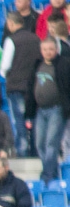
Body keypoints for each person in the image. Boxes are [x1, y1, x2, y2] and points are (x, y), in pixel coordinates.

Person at [25, 37, 70, 182]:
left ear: (56, 50)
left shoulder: (64, 64)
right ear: (41, 50)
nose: (48, 52)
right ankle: (51, 170)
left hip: (56, 109)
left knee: (51, 142)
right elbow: (31, 88)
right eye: (45, 49)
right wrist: (29, 111)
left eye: (51, 49)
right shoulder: (37, 65)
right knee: (39, 143)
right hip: (40, 110)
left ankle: (47, 174)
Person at [0, 11, 42, 157]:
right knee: (34, 119)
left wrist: (4, 74)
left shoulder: (11, 40)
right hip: (34, 86)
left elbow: (5, 66)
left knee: (19, 119)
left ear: (11, 23)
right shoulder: (36, 39)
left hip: (16, 86)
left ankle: (23, 151)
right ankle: (35, 150)